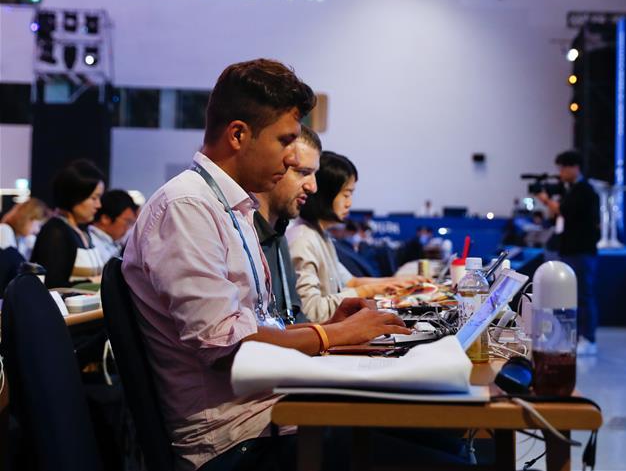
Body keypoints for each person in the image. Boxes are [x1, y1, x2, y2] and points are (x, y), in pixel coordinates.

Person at [122, 59, 410, 471]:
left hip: (268, 418)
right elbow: (226, 346)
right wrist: (332, 335)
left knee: (419, 432)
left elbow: (253, 326)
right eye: (285, 141)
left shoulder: (229, 207)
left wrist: (328, 330)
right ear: (238, 135)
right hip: (235, 443)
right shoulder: (187, 207)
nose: (292, 157)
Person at [288, 151, 423, 323]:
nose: (350, 203)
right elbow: (312, 312)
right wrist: (368, 291)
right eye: (346, 194)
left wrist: (399, 282)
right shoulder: (303, 240)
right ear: (325, 194)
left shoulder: (321, 235)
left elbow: (350, 282)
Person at [253, 125, 321, 325]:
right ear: (275, 167)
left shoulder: (279, 235)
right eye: (303, 172)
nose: (313, 187)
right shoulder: (240, 232)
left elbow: (292, 322)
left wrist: (337, 327)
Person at [536, 150, 600, 354]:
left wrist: (545, 200)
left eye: (564, 167)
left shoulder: (584, 190)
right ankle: (573, 335)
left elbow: (564, 211)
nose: (561, 172)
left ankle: (588, 338)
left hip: (581, 250)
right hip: (569, 249)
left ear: (575, 167)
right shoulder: (571, 190)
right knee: (569, 296)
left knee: (583, 295)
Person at [32, 159, 106, 288]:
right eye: (94, 198)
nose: (98, 205)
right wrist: (93, 283)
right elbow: (52, 285)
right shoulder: (55, 232)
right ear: (75, 196)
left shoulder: (82, 230)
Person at [88, 189, 138, 263]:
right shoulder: (90, 244)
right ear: (106, 219)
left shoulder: (113, 244)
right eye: (127, 221)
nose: (129, 228)